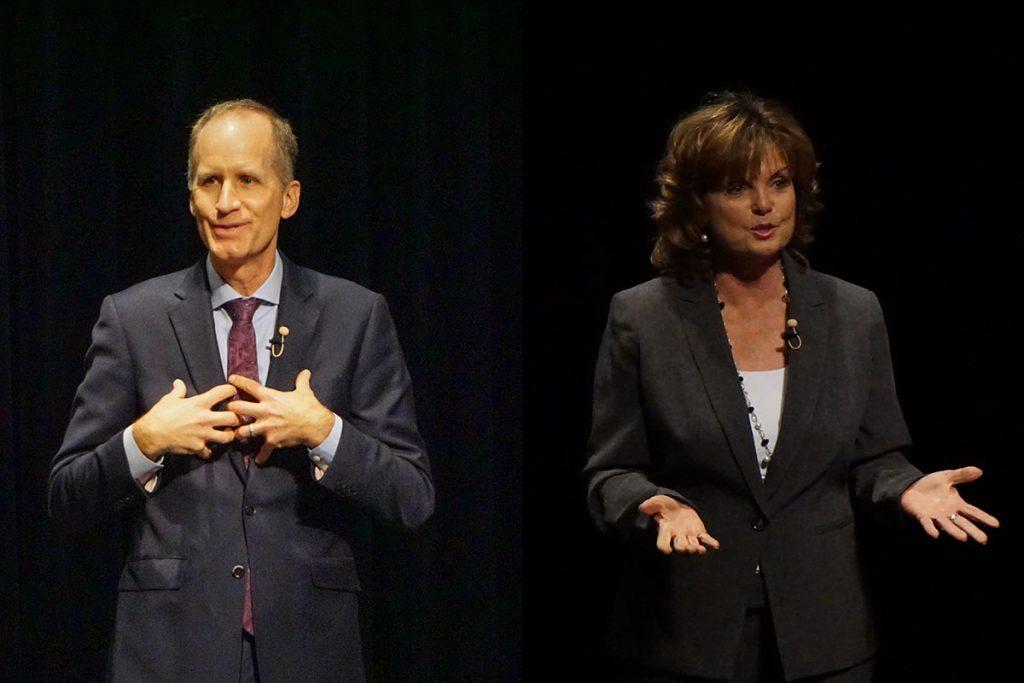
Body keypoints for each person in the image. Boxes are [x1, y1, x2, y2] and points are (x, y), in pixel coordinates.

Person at [582, 91, 999, 682]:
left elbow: (875, 457)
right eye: (735, 187)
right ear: (696, 203)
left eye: (779, 183)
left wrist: (907, 488)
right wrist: (656, 506)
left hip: (825, 636)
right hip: (688, 636)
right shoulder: (644, 318)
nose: (763, 205)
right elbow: (610, 471)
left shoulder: (853, 312)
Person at [48, 99, 434, 682]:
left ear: (289, 198)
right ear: (191, 199)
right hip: (170, 651)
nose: (225, 202)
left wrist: (323, 433)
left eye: (247, 180)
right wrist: (143, 441)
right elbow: (66, 498)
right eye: (209, 182)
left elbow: (413, 497)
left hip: (310, 647)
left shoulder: (355, 316)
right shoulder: (133, 319)